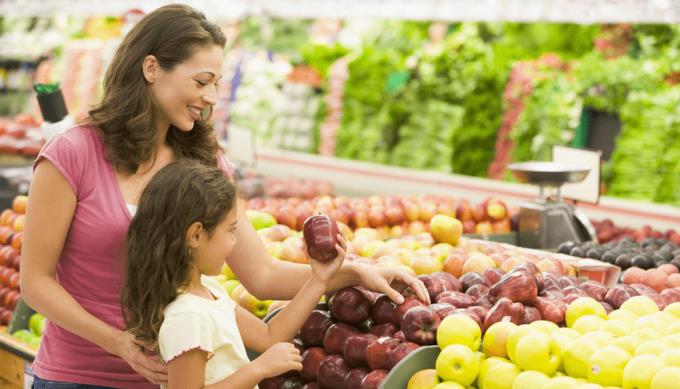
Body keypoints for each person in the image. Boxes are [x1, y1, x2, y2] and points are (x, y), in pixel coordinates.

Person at [20, 4, 428, 388]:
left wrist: (356, 271)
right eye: (201, 82)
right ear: (151, 68)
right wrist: (118, 342)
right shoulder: (73, 153)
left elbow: (262, 275)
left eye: (216, 83)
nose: (211, 98)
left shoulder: (206, 164)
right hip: (77, 376)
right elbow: (36, 282)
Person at [122, 160, 346, 388]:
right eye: (230, 231)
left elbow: (270, 334)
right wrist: (258, 369)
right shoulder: (187, 316)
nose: (234, 242)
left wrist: (319, 280)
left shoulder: (210, 291)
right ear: (196, 235)